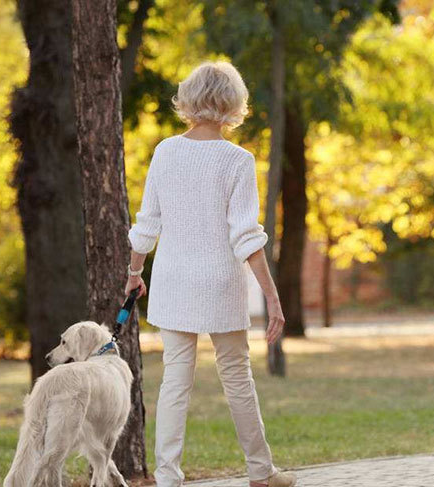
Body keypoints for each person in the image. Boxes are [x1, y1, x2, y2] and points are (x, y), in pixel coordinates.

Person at [125, 61, 297, 487]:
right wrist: (272, 298)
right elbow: (246, 236)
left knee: (175, 382)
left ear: (188, 99)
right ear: (233, 104)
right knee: (237, 377)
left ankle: (168, 478)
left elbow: (147, 224)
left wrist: (134, 273)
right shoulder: (238, 160)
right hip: (220, 281)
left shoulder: (166, 151)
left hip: (173, 282)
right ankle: (261, 472)